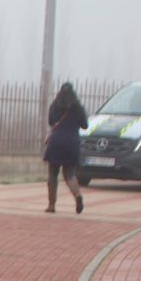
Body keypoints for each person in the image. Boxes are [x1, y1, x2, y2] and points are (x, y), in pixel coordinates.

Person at [44, 81, 87, 214]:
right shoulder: (78, 108)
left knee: (53, 174)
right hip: (72, 142)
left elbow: (51, 122)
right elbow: (85, 125)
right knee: (69, 174)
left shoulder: (55, 106)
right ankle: (77, 195)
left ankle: (51, 205)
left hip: (56, 142)